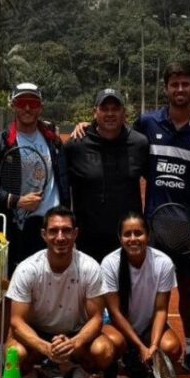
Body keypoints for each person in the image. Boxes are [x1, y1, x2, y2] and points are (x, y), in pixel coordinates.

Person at [134, 62, 190, 378]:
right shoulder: (147, 123)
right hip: (154, 229)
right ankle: (142, 347)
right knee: (150, 290)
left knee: (188, 291)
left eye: (185, 84)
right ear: (166, 88)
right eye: (174, 84)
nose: (180, 90)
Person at [4, 206, 113, 378]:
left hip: (76, 332)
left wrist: (73, 343)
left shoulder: (90, 267)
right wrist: (47, 349)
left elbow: (97, 318)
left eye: (66, 230)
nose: (60, 237)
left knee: (104, 351)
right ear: (44, 235)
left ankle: (77, 375)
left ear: (75, 234)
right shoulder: (27, 269)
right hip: (37, 333)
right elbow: (17, 322)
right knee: (14, 353)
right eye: (54, 231)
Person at [0, 82, 70, 269]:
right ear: (13, 105)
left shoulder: (54, 142)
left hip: (50, 226)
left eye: (33, 103)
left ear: (40, 107)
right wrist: (15, 201)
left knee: (51, 284)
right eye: (21, 102)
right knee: (12, 286)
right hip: (14, 228)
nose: (27, 108)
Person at [99, 212, 181, 378]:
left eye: (138, 233)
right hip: (116, 326)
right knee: (114, 343)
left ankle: (148, 370)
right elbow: (115, 313)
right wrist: (140, 347)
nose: (133, 239)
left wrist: (153, 346)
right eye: (127, 234)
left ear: (148, 235)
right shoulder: (109, 263)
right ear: (120, 238)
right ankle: (111, 370)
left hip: (148, 325)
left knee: (172, 347)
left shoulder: (164, 263)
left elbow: (161, 310)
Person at [65, 88, 150, 262]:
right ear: (95, 112)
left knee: (126, 288)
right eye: (104, 109)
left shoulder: (139, 143)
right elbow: (62, 190)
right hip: (88, 239)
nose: (110, 114)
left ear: (123, 113)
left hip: (127, 238)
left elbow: (155, 184)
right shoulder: (76, 145)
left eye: (115, 109)